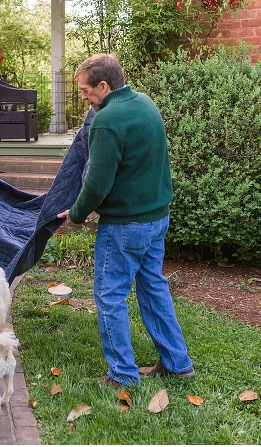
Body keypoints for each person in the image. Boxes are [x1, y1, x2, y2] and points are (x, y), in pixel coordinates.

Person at [57, 53, 194, 388]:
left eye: (87, 91)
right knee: (153, 290)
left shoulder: (108, 120)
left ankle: (122, 374)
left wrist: (76, 214)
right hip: (157, 219)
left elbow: (97, 182)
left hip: (125, 226)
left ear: (104, 86)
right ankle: (178, 364)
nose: (85, 98)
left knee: (109, 295)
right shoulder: (144, 103)